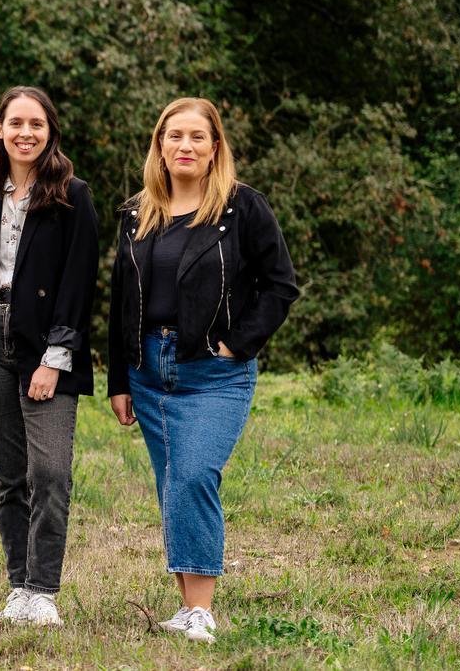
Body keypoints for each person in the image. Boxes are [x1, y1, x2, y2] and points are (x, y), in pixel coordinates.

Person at [107, 97, 299, 643]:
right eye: (174, 136)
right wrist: (119, 378)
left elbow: (280, 285)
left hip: (214, 374)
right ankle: (187, 606)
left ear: (215, 148)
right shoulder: (136, 212)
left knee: (194, 475)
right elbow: (122, 298)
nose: (184, 146)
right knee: (172, 484)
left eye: (196, 137)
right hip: (148, 370)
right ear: (159, 145)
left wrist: (237, 345)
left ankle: (201, 610)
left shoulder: (242, 209)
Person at [0, 86, 99, 627]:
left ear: (50, 131)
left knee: (51, 473)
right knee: (10, 477)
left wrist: (54, 358)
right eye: (16, 123)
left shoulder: (72, 195)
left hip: (45, 348)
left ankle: (44, 590)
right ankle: (18, 587)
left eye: (36, 124)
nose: (26, 133)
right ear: (0, 130)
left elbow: (80, 282)